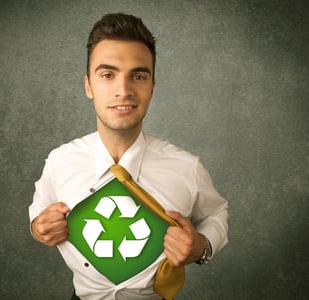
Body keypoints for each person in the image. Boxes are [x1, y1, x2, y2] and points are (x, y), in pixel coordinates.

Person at [29, 13, 228, 300]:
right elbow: (39, 207)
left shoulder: (186, 167)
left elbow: (216, 212)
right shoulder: (60, 161)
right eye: (107, 75)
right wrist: (38, 227)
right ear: (88, 86)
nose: (123, 91)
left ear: (152, 87)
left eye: (138, 76)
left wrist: (202, 247)